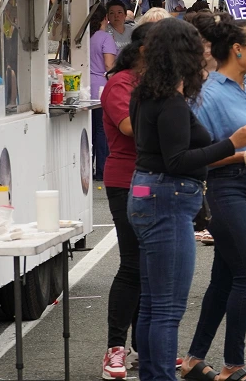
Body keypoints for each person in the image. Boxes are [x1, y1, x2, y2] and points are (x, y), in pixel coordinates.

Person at [129, 20, 246, 381]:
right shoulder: (170, 101)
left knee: (154, 305)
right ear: (182, 52)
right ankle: (162, 376)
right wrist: (232, 144)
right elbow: (176, 160)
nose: (204, 52)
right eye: (197, 46)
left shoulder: (144, 92)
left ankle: (156, 374)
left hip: (145, 192)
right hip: (167, 197)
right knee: (167, 309)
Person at [180, 18, 246, 381]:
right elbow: (195, 153)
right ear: (237, 50)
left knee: (224, 276)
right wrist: (241, 154)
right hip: (223, 187)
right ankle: (232, 366)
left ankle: (193, 359)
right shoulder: (206, 93)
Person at [99, 24, 151, 381]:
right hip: (128, 181)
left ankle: (144, 346)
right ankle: (116, 348)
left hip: (152, 179)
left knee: (150, 267)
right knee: (133, 264)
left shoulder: (154, 83)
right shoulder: (121, 82)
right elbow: (130, 127)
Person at [90, 7, 118, 182]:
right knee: (102, 130)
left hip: (86, 85)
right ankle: (101, 169)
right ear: (105, 18)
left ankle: (89, 165)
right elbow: (109, 65)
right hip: (101, 87)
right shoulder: (106, 38)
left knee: (90, 129)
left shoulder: (85, 36)